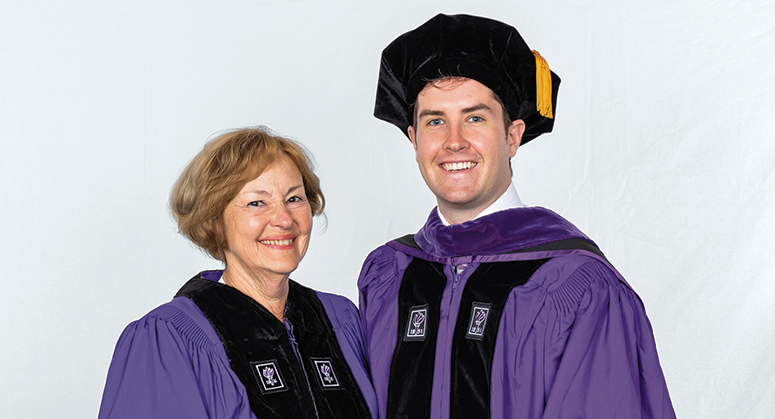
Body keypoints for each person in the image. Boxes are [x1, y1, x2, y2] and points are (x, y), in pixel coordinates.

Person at [358, 13, 676, 419]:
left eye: (475, 118)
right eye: (435, 121)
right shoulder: (390, 274)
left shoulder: (577, 285)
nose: (454, 142)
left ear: (512, 136)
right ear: (414, 139)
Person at [99, 127, 377, 419]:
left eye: (294, 198)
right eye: (257, 202)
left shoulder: (340, 319)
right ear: (214, 220)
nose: (283, 219)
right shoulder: (168, 339)